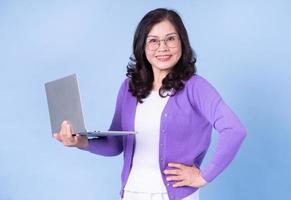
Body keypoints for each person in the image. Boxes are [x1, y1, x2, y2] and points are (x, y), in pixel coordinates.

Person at [53, 8, 247, 200]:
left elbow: (234, 130)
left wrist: (204, 176)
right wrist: (80, 142)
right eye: (153, 41)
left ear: (182, 42)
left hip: (176, 196)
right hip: (132, 193)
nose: (162, 48)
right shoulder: (129, 89)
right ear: (142, 47)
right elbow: (116, 144)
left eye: (170, 39)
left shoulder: (196, 87)